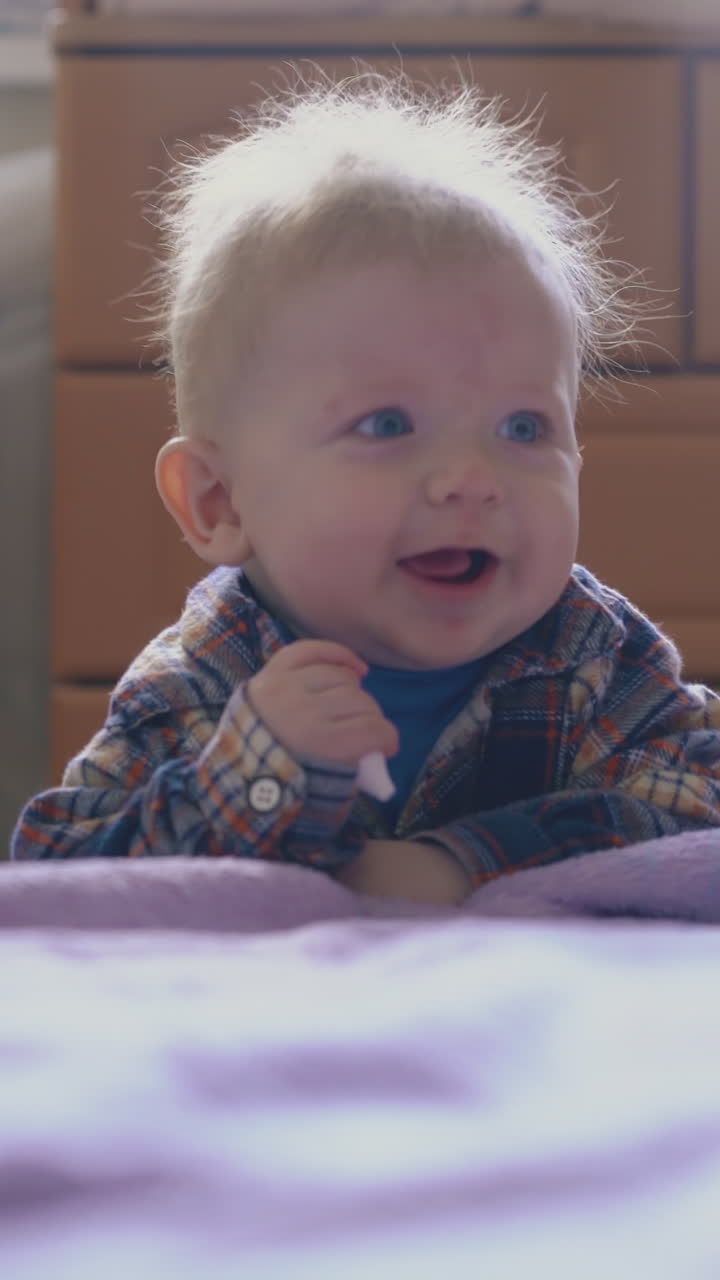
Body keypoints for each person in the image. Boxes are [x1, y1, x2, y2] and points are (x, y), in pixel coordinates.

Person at [12, 68, 720, 904]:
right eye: (388, 425)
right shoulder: (201, 684)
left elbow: (696, 808)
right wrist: (257, 773)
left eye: (524, 428)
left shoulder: (593, 656)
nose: (471, 480)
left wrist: (462, 863)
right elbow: (61, 888)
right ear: (218, 500)